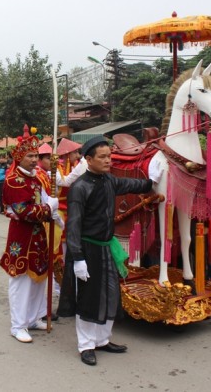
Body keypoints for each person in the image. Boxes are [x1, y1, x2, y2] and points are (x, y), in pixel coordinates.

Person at [57, 136, 152, 366]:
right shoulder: (79, 188)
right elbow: (74, 226)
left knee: (110, 293)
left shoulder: (110, 180)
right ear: (88, 159)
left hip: (107, 248)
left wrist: (153, 181)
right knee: (88, 297)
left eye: (109, 156)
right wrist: (77, 258)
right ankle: (86, 345)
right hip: (87, 250)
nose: (108, 160)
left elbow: (134, 185)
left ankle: (102, 339)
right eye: (102, 157)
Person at [0, 130, 59, 343]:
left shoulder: (38, 178)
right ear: (19, 158)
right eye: (30, 156)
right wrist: (48, 208)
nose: (34, 160)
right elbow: (25, 212)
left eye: (36, 155)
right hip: (22, 237)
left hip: (39, 235)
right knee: (21, 281)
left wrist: (53, 210)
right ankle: (18, 325)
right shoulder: (14, 181)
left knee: (39, 280)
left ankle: (33, 318)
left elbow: (44, 202)